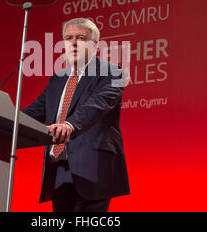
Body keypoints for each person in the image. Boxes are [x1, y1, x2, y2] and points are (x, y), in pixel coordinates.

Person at [23, 18, 130, 212]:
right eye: (68, 38)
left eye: (80, 38)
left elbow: (97, 104)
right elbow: (33, 112)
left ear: (95, 45)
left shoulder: (113, 72)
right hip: (59, 170)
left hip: (93, 168)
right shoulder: (57, 80)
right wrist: (5, 120)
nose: (73, 43)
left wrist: (70, 125)